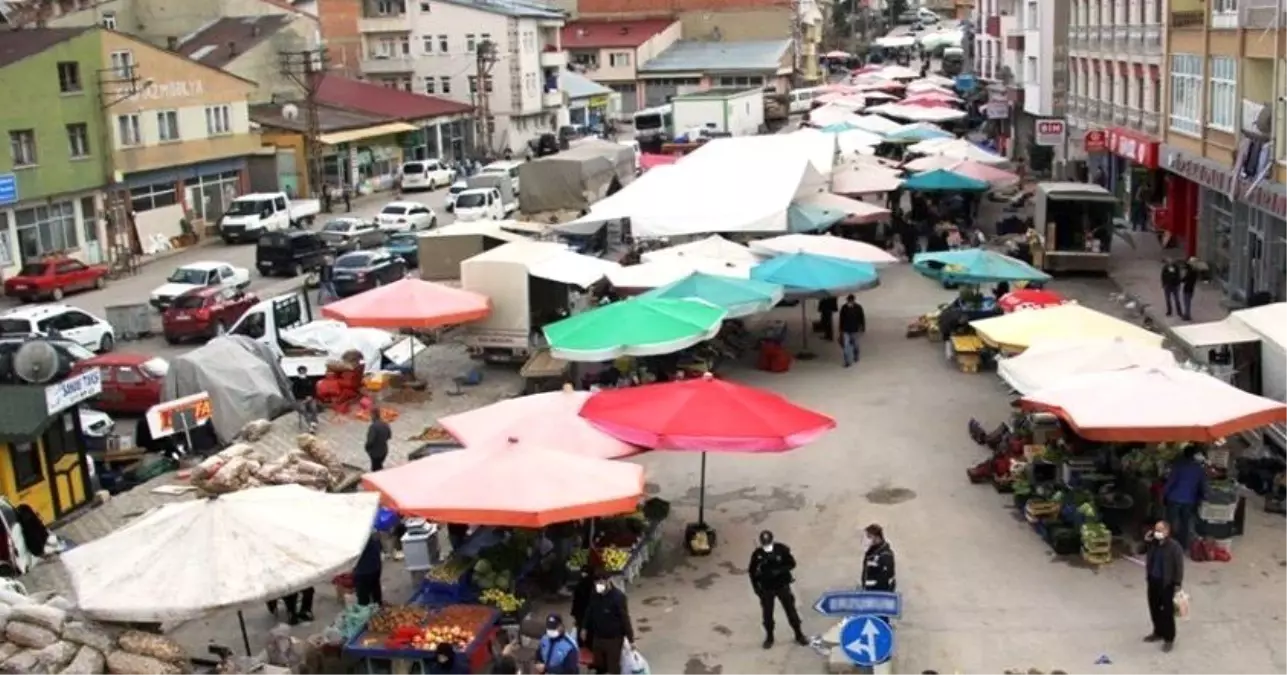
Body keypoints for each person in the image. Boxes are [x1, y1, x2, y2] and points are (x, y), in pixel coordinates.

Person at [748, 530, 807, 649]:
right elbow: (752, 572)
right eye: (764, 543)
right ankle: (769, 637)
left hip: (782, 586)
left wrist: (780, 571)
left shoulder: (781, 549)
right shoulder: (757, 554)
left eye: (768, 542)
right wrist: (756, 589)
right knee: (767, 615)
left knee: (791, 611)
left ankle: (799, 634)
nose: (766, 545)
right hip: (767, 588)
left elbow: (792, 564)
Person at [1143, 519, 1184, 652]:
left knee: (1167, 612)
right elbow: (1140, 550)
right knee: (1154, 608)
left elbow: (1179, 566)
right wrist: (1147, 540)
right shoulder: (1153, 543)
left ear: (1167, 531)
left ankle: (1169, 638)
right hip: (1153, 580)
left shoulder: (1174, 547)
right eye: (1156, 530)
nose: (1157, 532)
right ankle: (1158, 632)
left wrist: (1177, 583)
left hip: (1166, 583)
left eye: (1160, 530)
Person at [581, 576, 634, 675]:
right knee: (599, 664)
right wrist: (584, 627)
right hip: (598, 637)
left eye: (600, 582)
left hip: (613, 639)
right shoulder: (595, 595)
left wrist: (631, 639)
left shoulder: (618, 597)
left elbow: (625, 619)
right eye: (596, 583)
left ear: (608, 581)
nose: (598, 586)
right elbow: (589, 611)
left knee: (613, 667)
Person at [1163, 446, 1206, 549]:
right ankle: (1183, 545)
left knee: (1171, 522)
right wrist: (1202, 498)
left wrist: (1164, 494)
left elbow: (1170, 483)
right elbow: (1202, 486)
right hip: (1189, 500)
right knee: (1185, 523)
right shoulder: (1199, 469)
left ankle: (1170, 545)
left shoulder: (1178, 466)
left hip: (1174, 498)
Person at [860, 524, 896, 593]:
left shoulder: (886, 554)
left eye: (869, 536)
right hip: (868, 595)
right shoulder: (870, 554)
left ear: (877, 537)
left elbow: (886, 578)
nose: (867, 539)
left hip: (880, 596)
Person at [353, 533, 384, 606]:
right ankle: (378, 608)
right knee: (376, 591)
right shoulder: (373, 533)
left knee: (363, 599)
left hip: (363, 570)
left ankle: (367, 611)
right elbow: (380, 547)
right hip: (375, 566)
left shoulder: (358, 536)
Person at [837, 295, 866, 368]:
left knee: (855, 345)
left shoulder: (858, 308)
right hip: (846, 330)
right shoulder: (844, 308)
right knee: (846, 346)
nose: (849, 302)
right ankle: (847, 361)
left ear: (853, 300)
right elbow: (841, 319)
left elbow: (862, 318)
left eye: (850, 300)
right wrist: (840, 329)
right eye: (848, 300)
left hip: (855, 330)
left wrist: (862, 327)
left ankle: (856, 355)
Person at [291, 366, 319, 432]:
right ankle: (309, 424)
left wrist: (310, 396)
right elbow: (295, 393)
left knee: (314, 407)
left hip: (310, 398)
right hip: (301, 399)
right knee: (303, 409)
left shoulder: (310, 380)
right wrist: (304, 398)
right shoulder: (296, 382)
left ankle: (314, 422)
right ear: (298, 372)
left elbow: (314, 390)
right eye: (301, 371)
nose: (302, 373)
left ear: (306, 371)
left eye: (303, 371)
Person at [365, 406, 391, 472]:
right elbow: (389, 436)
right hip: (384, 451)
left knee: (375, 469)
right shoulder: (385, 424)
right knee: (379, 466)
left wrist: (366, 448)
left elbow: (370, 441)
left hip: (375, 453)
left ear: (373, 415)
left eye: (371, 415)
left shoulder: (373, 427)